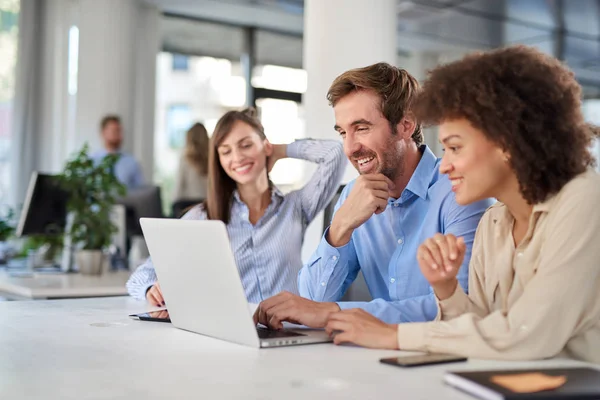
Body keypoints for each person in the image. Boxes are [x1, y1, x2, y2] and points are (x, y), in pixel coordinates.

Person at [322, 46, 600, 363]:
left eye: (455, 147)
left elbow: (530, 333)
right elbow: (479, 325)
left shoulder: (584, 200)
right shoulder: (495, 222)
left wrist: (394, 335)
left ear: (508, 143)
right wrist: (446, 289)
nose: (443, 165)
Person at [253, 63, 492, 329]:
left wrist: (334, 314)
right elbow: (311, 301)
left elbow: (462, 306)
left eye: (362, 128)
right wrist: (340, 227)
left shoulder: (460, 190)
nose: (350, 147)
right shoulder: (353, 197)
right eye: (343, 132)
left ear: (406, 125)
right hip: (376, 356)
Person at [127, 108, 346, 307]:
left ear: (264, 145)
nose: (237, 157)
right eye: (226, 151)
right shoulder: (202, 217)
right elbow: (140, 276)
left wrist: (280, 150)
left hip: (291, 332)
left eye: (246, 145)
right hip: (234, 338)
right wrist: (150, 290)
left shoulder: (296, 206)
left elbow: (335, 152)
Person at [90, 115, 144, 190]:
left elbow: (141, 193)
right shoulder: (92, 161)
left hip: (125, 201)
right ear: (103, 133)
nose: (118, 135)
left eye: (119, 131)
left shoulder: (132, 162)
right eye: (114, 131)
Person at [173, 122, 210, 201]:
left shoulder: (185, 158)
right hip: (208, 203)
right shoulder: (212, 158)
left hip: (188, 204)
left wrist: (174, 203)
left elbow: (179, 184)